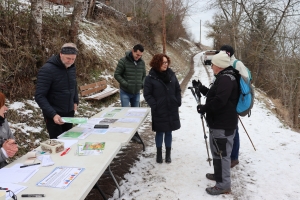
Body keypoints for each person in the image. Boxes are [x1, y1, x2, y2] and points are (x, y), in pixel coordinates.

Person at [196, 51, 239, 195]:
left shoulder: (227, 79)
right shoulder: (223, 77)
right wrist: (202, 88)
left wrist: (204, 107)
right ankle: (219, 176)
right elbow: (216, 95)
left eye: (213, 64)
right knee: (217, 152)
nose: (211, 66)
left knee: (222, 154)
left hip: (223, 124)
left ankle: (224, 185)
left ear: (219, 65)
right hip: (219, 122)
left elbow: (220, 101)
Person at [35, 43, 79, 139]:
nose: (70, 61)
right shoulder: (47, 69)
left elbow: (73, 85)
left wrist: (75, 101)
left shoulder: (71, 67)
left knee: (69, 140)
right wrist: (53, 114)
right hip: (54, 114)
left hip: (69, 112)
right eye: (68, 58)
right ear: (61, 54)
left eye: (73, 59)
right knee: (58, 143)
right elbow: (39, 96)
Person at [143, 53, 181, 163]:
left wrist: (177, 101)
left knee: (169, 132)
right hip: (159, 109)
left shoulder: (172, 75)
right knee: (159, 132)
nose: (165, 64)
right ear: (157, 63)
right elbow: (147, 94)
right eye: (163, 62)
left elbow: (177, 89)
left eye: (166, 62)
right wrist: (155, 105)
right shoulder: (150, 78)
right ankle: (159, 154)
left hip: (171, 108)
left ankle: (168, 155)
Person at [220, 44, 248, 168]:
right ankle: (229, 155)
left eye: (222, 52)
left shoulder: (237, 64)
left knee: (233, 130)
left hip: (234, 102)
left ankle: (234, 157)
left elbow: (244, 82)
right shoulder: (226, 63)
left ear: (228, 54)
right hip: (228, 101)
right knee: (230, 129)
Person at [114, 44, 146, 143]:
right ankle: (125, 133)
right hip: (125, 92)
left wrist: (142, 84)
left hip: (136, 92)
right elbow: (117, 74)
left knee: (135, 114)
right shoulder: (123, 61)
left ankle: (135, 133)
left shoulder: (142, 63)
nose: (138, 57)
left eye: (140, 55)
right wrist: (125, 84)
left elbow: (144, 76)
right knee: (126, 113)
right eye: (137, 54)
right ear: (132, 51)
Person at [0, 92, 18, 168]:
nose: (6, 108)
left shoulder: (2, 121)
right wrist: (3, 152)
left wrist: (10, 146)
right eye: (2, 105)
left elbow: (10, 138)